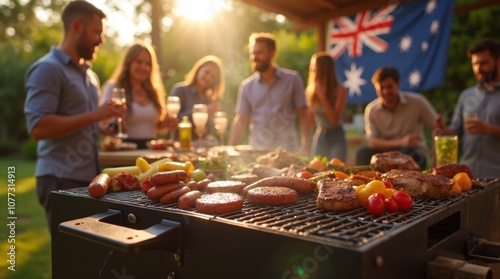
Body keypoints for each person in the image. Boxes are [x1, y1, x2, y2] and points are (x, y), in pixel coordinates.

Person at [24, 1, 124, 231]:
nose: (101, 40)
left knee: (88, 258)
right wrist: (94, 116)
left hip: (89, 181)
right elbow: (38, 128)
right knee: (70, 260)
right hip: (60, 179)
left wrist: (105, 127)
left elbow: (86, 125)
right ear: (77, 26)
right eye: (97, 32)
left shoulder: (91, 77)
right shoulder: (47, 69)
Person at [227, 32, 311, 155]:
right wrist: (230, 149)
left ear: (272, 54)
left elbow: (304, 114)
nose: (255, 57)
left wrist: (306, 146)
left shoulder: (292, 79)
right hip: (257, 152)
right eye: (253, 53)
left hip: (287, 152)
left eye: (259, 53)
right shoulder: (247, 86)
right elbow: (241, 120)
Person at [434, 38, 500, 178]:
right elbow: (455, 131)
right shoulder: (466, 95)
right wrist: (444, 130)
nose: (478, 68)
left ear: (498, 61)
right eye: (475, 64)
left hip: (496, 175)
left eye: (484, 63)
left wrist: (491, 129)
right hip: (468, 176)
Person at [355, 67, 438, 170]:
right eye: (381, 87)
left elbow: (437, 126)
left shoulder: (417, 102)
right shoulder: (371, 110)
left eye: (389, 87)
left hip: (413, 153)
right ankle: (365, 183)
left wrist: (436, 159)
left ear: (398, 84)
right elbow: (372, 142)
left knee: (407, 153)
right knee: (362, 153)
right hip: (385, 157)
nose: (385, 91)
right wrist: (401, 141)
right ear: (376, 88)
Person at [101, 40, 177, 149]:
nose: (143, 67)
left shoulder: (154, 90)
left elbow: (157, 126)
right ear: (128, 63)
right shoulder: (113, 87)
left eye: (148, 64)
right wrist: (113, 124)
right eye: (139, 62)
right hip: (122, 150)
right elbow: (103, 123)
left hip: (150, 151)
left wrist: (166, 124)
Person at [170, 55, 225, 140]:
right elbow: (173, 121)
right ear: (199, 69)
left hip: (200, 146)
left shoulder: (208, 98)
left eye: (213, 77)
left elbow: (207, 129)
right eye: (207, 72)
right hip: (182, 145)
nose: (208, 78)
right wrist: (204, 110)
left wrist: (204, 130)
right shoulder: (180, 90)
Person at [305, 52, 347, 161]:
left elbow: (334, 119)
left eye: (315, 68)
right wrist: (306, 142)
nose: (313, 70)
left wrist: (323, 97)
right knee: (316, 169)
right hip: (320, 134)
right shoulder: (310, 91)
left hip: (336, 135)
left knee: (336, 169)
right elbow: (310, 119)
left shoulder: (339, 90)